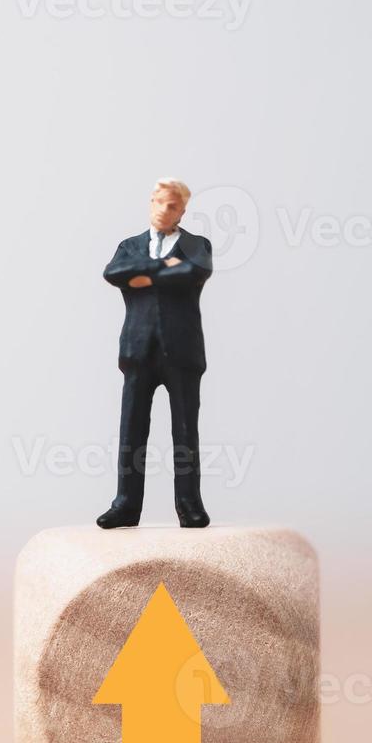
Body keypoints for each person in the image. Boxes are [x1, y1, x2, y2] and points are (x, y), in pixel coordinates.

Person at [98, 177, 214, 529]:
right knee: (131, 431)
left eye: (173, 205)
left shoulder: (197, 245)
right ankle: (126, 504)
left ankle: (189, 504)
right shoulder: (130, 246)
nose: (165, 210)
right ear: (151, 202)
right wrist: (161, 267)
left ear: (183, 210)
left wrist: (145, 276)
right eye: (159, 202)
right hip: (138, 349)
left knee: (185, 431)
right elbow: (114, 273)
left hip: (182, 350)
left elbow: (194, 272)